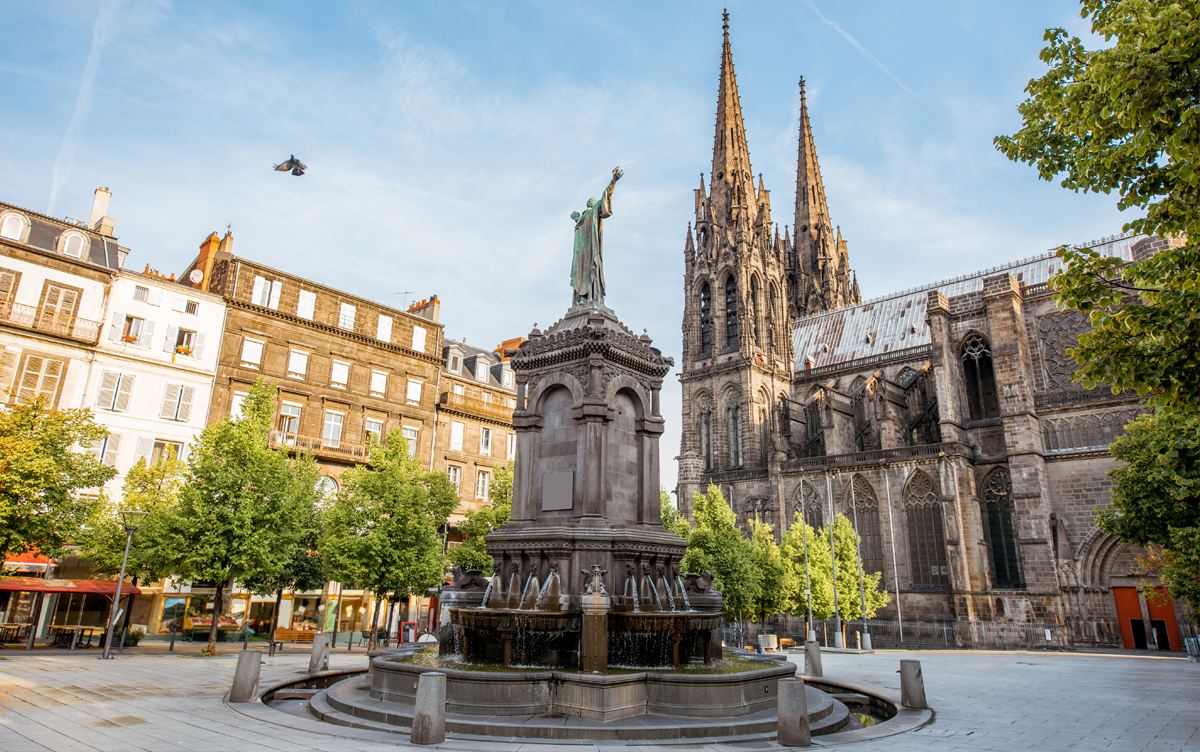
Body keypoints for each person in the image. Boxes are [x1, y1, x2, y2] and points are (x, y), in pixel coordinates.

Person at [570, 166, 623, 305]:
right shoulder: (589, 215)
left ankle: (582, 298)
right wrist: (613, 182)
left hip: (582, 259)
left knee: (584, 275)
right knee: (593, 271)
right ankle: (593, 297)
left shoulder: (581, 221)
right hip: (591, 253)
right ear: (594, 206)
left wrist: (576, 219)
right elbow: (605, 196)